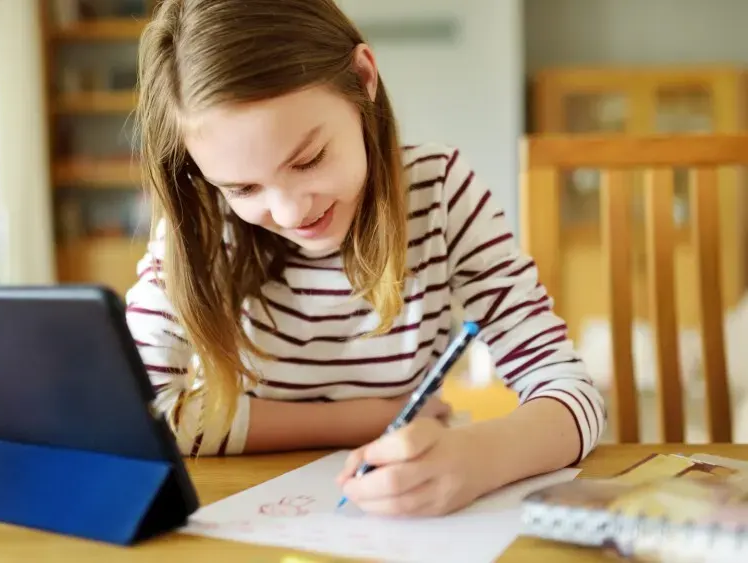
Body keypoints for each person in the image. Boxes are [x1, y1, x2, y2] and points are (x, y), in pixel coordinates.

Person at [125, 0, 606, 517]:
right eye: (242, 187)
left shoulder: (439, 193)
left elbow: (570, 390)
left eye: (308, 159)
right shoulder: (197, 225)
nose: (289, 212)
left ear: (363, 78)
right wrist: (368, 418)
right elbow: (143, 416)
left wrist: (476, 459)